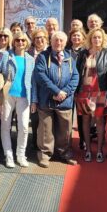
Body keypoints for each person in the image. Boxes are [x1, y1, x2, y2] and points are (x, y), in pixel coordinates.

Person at [32, 31, 79, 168]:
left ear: (65, 43)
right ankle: (45, 155)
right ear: (51, 42)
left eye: (61, 41)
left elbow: (75, 78)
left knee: (64, 131)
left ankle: (65, 154)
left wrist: (65, 92)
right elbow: (40, 76)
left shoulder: (70, 58)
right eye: (56, 40)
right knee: (45, 130)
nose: (58, 43)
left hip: (65, 101)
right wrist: (56, 91)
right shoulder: (42, 57)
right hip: (46, 100)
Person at [0, 32, 35, 168]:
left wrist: (34, 100)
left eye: (23, 40)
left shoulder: (30, 59)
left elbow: (33, 81)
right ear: (14, 41)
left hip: (24, 97)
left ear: (26, 42)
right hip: (7, 95)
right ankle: (8, 155)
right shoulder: (6, 55)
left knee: (23, 127)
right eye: (17, 40)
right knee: (5, 126)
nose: (20, 42)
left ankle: (21, 155)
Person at [76, 28, 107, 163]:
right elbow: (77, 72)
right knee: (85, 121)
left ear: (103, 39)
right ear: (90, 39)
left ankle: (99, 150)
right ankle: (87, 150)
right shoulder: (83, 53)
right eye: (94, 37)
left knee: (99, 121)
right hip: (84, 92)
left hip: (101, 92)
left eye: (99, 37)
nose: (97, 40)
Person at [27, 28, 49, 149]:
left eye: (42, 37)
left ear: (46, 39)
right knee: (34, 119)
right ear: (33, 40)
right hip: (31, 90)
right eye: (37, 38)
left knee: (46, 121)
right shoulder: (29, 52)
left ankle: (45, 145)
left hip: (46, 91)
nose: (39, 40)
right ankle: (35, 142)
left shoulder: (51, 52)